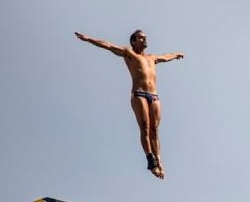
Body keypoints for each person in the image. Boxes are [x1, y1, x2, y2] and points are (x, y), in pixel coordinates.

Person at [75, 29, 184, 179]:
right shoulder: (128, 53)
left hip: (154, 95)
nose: (144, 39)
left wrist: (176, 54)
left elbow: (165, 57)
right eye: (140, 38)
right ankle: (151, 161)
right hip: (139, 94)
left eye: (145, 37)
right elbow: (107, 45)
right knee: (145, 127)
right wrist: (88, 39)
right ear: (133, 41)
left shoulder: (152, 58)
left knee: (154, 130)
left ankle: (159, 161)